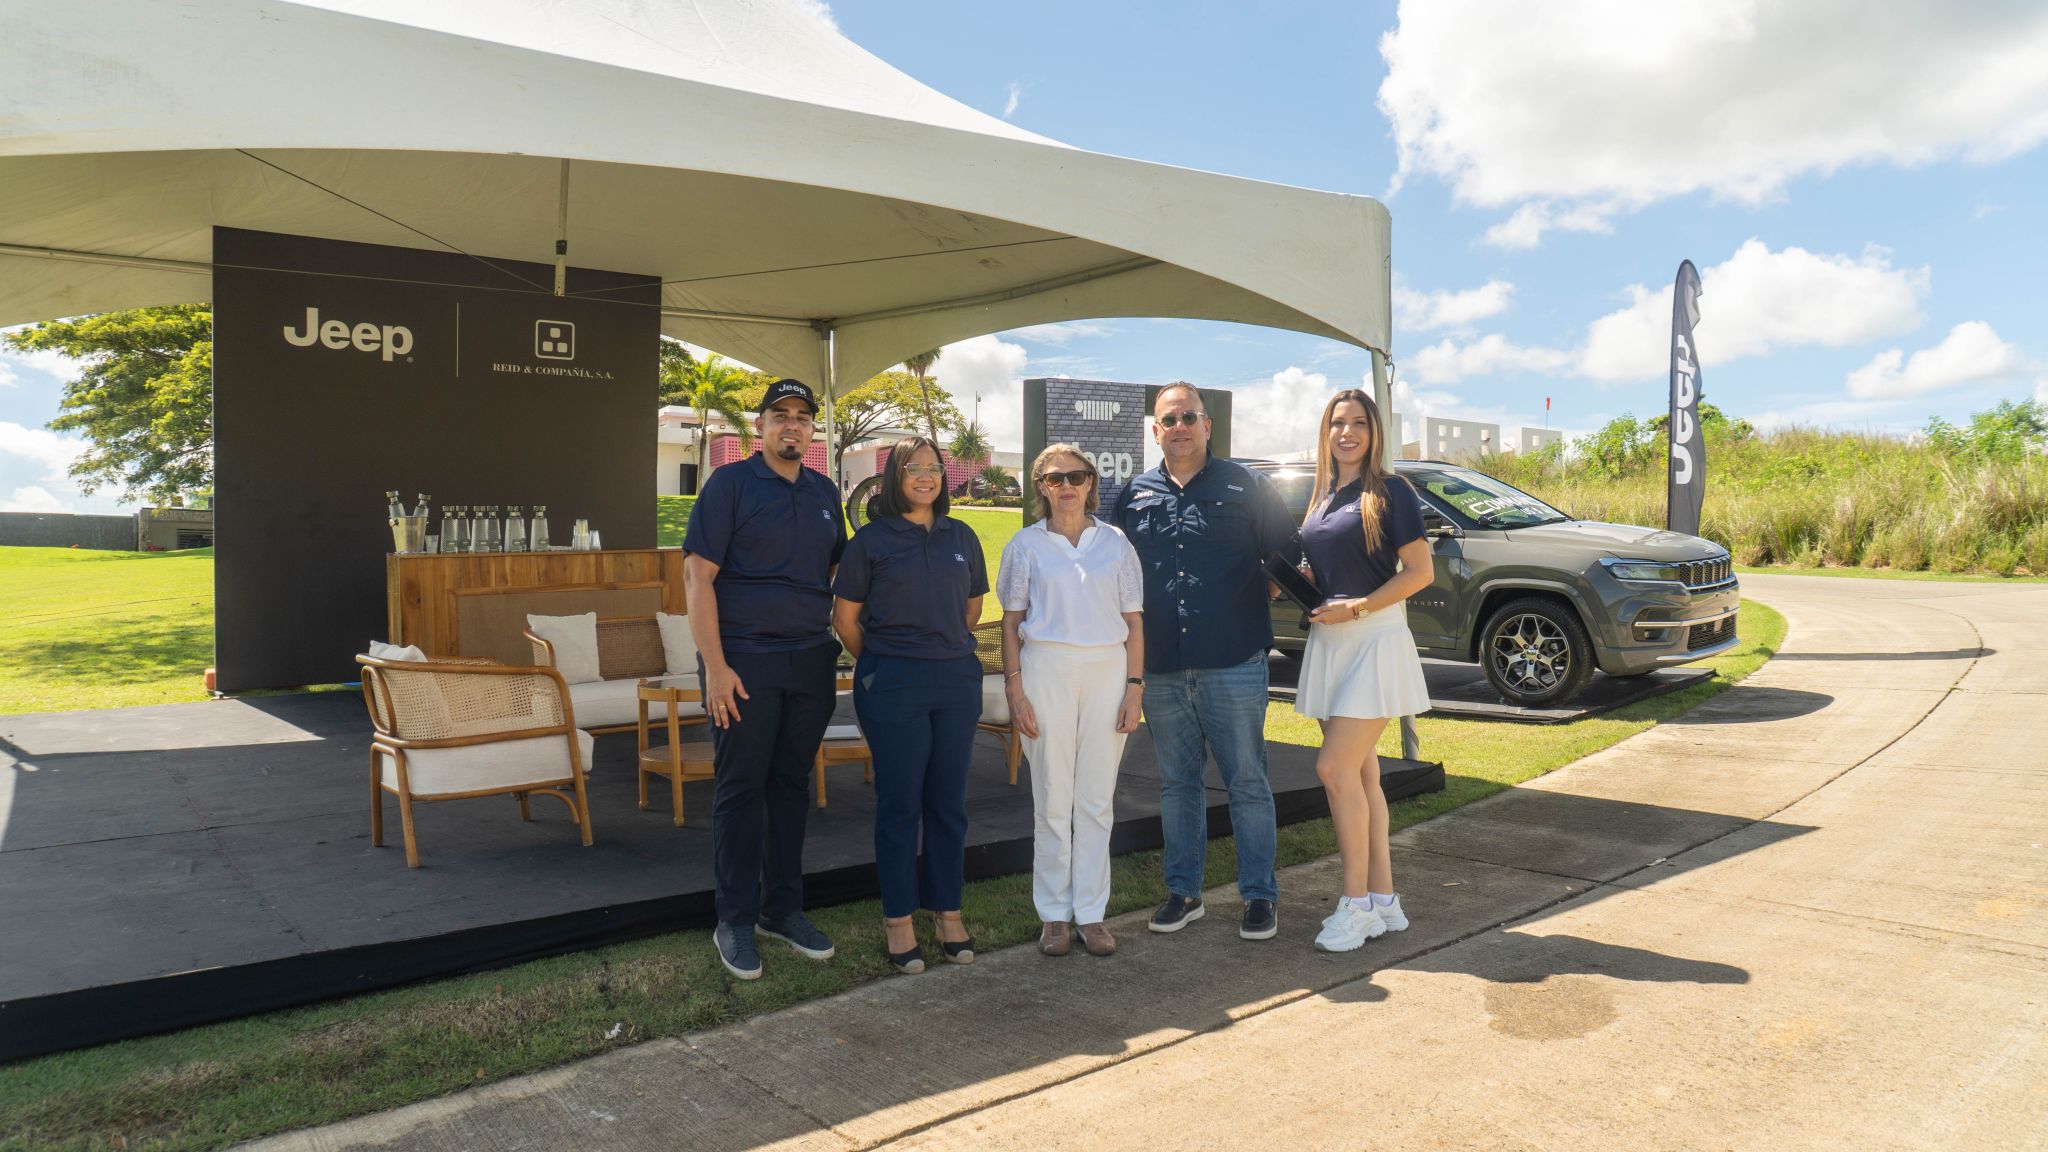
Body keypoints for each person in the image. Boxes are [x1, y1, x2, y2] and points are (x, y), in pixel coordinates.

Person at [1110, 382, 1299, 941]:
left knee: (1246, 780)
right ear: (1156, 430)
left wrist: (1247, 602)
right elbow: (1118, 572)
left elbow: (1285, 557)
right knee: (1177, 783)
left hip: (1233, 660)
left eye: (1189, 416)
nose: (1180, 427)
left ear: (1208, 425)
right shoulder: (1135, 494)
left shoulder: (1247, 485)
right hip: (1163, 665)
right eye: (1169, 420)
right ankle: (1183, 891)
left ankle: (1259, 896)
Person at [682, 379, 846, 980]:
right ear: (761, 427)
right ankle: (734, 918)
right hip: (743, 662)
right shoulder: (730, 485)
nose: (792, 426)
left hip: (809, 660)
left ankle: (783, 909)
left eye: (803, 418)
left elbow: (839, 573)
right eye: (781, 415)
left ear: (812, 431)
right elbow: (698, 579)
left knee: (790, 786)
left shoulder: (825, 491)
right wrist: (716, 668)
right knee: (741, 787)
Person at [831, 437, 988, 974]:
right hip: (894, 683)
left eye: (933, 468)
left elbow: (972, 607)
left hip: (955, 682)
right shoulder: (870, 542)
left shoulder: (961, 535)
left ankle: (948, 911)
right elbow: (845, 620)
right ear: (893, 478)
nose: (925, 476)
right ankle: (898, 918)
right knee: (900, 806)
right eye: (913, 468)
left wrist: (940, 648)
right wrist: (882, 664)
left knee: (948, 803)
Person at [1294, 388, 1432, 952]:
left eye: (1357, 423)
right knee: (1362, 777)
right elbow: (1338, 562)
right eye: (1336, 423)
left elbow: (1419, 572)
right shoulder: (1324, 494)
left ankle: (1354, 905)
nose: (1346, 432)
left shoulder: (1392, 490)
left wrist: (1358, 606)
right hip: (1331, 645)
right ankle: (1383, 899)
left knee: (1333, 770)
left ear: (1375, 432)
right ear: (1325, 432)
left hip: (1373, 641)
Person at [997, 444, 1145, 958]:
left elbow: (1133, 620)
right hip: (1046, 671)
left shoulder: (1116, 542)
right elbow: (1012, 622)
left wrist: (1134, 686)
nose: (1067, 486)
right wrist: (1015, 688)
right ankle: (1055, 916)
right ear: (1040, 485)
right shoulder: (1025, 545)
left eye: (1077, 476)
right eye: (1055, 477)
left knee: (1096, 799)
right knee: (1053, 797)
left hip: (1108, 670)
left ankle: (1092, 913)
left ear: (1090, 483)